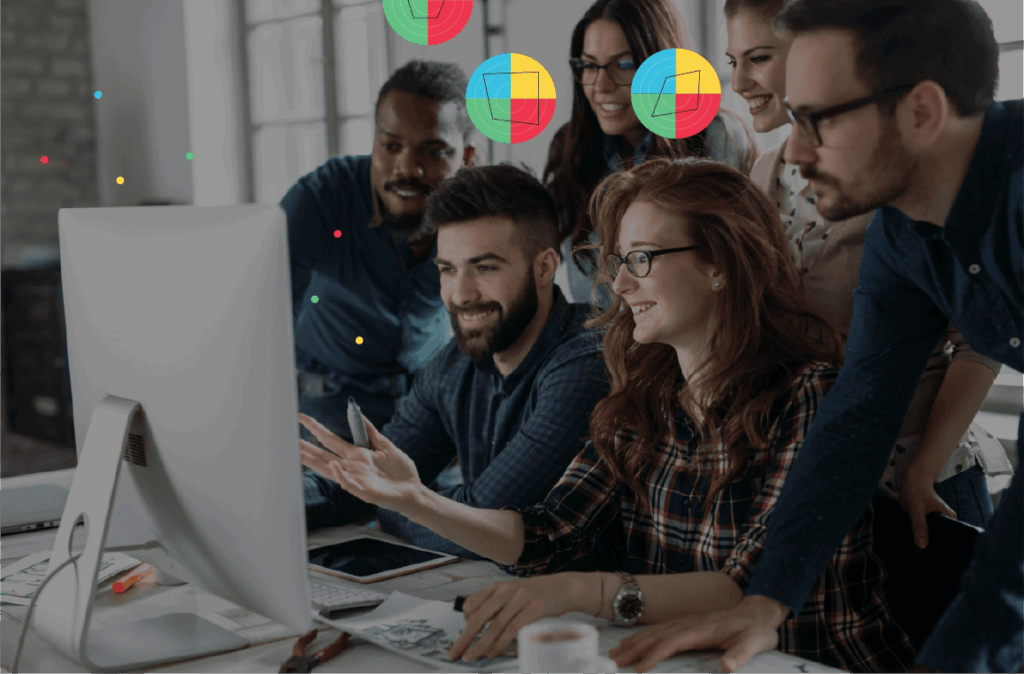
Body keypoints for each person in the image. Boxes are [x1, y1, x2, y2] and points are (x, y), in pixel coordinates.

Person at [299, 157, 917, 673]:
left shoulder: (808, 394)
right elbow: (548, 533)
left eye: (641, 259)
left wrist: (583, 591)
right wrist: (414, 498)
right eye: (618, 261)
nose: (619, 285)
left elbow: (747, 586)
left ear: (721, 264)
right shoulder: (641, 396)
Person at [611, 2, 1023, 673]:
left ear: (921, 112)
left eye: (817, 120)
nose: (795, 153)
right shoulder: (900, 234)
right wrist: (765, 601)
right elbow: (857, 418)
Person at [723, 0, 1012, 544]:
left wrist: (924, 467)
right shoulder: (759, 172)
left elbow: (978, 340)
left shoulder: (893, 170)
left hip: (918, 478)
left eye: (759, 57)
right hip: (810, 473)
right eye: (731, 60)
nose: (738, 80)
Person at [299, 164, 609, 557]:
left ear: (545, 267)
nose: (461, 294)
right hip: (493, 593)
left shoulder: (586, 362)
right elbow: (363, 481)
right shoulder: (456, 364)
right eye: (448, 269)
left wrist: (393, 505)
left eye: (484, 267)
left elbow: (480, 520)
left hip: (589, 609)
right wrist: (251, 504)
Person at [282, 60, 476, 445]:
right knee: (326, 500)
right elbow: (264, 311)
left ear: (466, 158)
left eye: (433, 152)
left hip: (434, 403)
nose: (407, 169)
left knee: (460, 500)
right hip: (330, 400)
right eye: (390, 146)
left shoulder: (482, 211)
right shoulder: (322, 197)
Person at [543, 0, 758, 307]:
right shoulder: (571, 148)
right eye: (589, 65)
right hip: (599, 346)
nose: (601, 86)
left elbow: (736, 276)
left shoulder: (714, 137)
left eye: (625, 64)